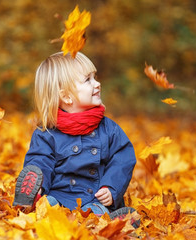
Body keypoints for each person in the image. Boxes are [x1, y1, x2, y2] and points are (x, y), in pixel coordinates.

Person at [13, 51, 139, 227]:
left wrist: (111, 188)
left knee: (96, 213)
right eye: (88, 80)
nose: (97, 84)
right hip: (59, 196)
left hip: (94, 198)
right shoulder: (46, 133)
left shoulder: (108, 129)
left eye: (95, 77)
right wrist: (39, 186)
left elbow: (122, 160)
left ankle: (110, 222)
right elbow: (41, 160)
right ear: (66, 96)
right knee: (49, 206)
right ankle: (34, 200)